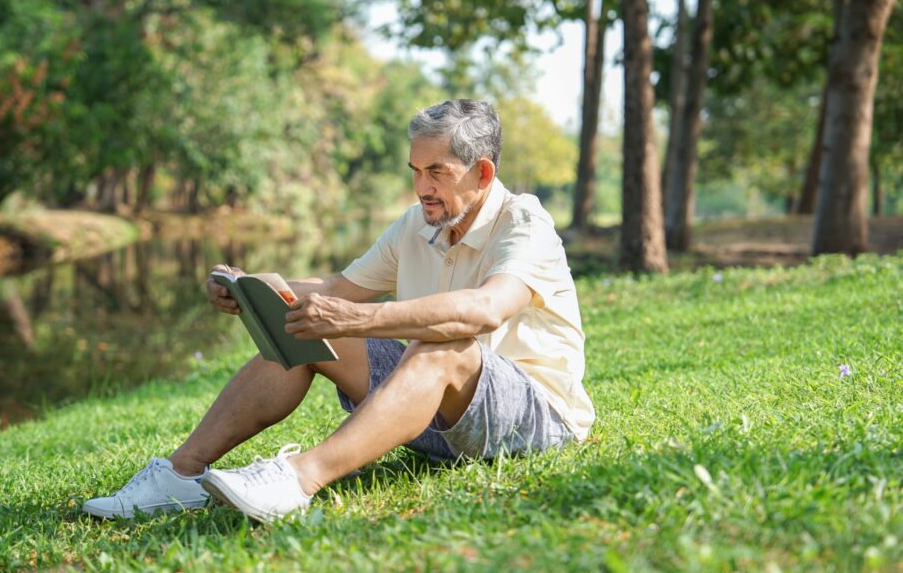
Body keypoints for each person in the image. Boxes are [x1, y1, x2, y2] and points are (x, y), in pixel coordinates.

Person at [82, 99, 595, 522]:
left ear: (482, 173)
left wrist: (362, 319)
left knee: (445, 340)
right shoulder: (416, 223)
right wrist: (253, 287)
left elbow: (482, 311)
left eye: (437, 172)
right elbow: (336, 289)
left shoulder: (524, 225)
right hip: (435, 417)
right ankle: (181, 474)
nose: (422, 188)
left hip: (531, 421)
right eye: (416, 171)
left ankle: (297, 480)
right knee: (300, 321)